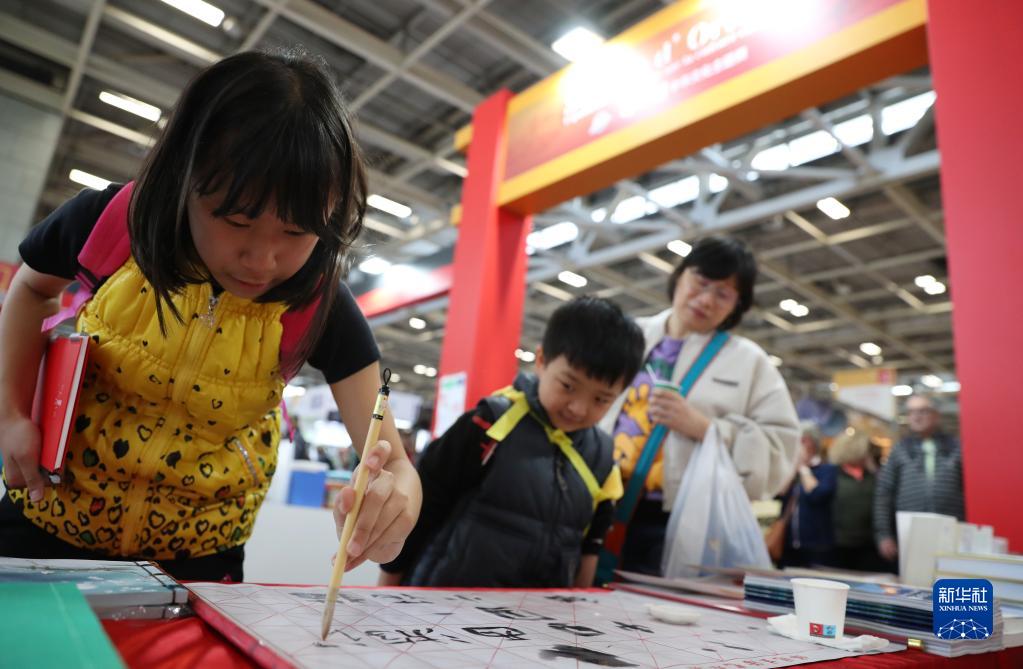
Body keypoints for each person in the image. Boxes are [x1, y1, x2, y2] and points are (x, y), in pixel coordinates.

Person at [0, 49, 421, 582]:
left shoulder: (319, 302)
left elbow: (395, 464)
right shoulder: (115, 223)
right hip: (47, 519)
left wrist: (395, 500)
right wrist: (10, 414)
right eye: (237, 221)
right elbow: (31, 288)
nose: (262, 259)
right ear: (185, 176)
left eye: (297, 231)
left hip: (199, 562)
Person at [379, 297, 645, 587]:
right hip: (445, 601)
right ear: (541, 361)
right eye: (568, 386)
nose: (579, 408)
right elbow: (424, 506)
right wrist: (387, 587)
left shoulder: (603, 457)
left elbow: (592, 543)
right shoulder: (489, 423)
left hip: (539, 612)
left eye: (601, 399)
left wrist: (577, 604)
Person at [598, 235, 799, 576]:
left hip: (680, 522)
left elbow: (782, 448)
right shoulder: (628, 335)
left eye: (723, 293)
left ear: (737, 305)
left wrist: (706, 429)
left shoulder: (749, 361)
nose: (706, 299)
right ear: (680, 276)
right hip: (597, 506)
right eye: (701, 282)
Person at [874, 393, 964, 563]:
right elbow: (884, 493)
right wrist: (883, 534)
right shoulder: (899, 449)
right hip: (910, 532)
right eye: (911, 412)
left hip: (951, 531)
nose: (916, 417)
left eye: (922, 411)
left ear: (936, 415)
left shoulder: (955, 447)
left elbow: (971, 492)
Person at [825, 428, 891, 573]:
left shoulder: (872, 475)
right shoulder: (833, 473)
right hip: (838, 544)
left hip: (868, 544)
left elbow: (883, 498)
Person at [779, 422, 837, 568]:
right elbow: (780, 493)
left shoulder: (826, 469)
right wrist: (793, 468)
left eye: (803, 440)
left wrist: (803, 468)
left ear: (814, 442)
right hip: (789, 543)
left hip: (816, 545)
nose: (799, 444)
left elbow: (817, 494)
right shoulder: (793, 470)